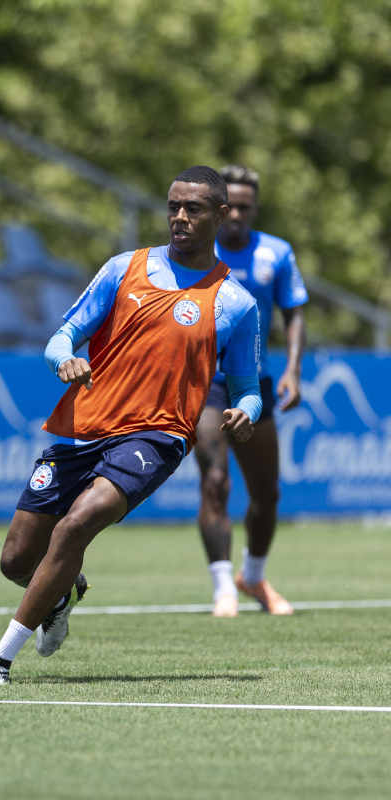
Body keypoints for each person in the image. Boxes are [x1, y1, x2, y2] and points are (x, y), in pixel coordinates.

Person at [0, 166, 262, 686]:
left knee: (78, 523)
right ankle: (62, 594)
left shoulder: (236, 302)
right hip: (85, 427)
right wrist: (64, 361)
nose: (180, 218)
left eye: (193, 209)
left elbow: (247, 388)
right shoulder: (124, 268)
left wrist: (247, 412)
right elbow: (64, 336)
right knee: (15, 561)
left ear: (219, 214)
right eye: (173, 206)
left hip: (159, 434)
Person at [194, 165, 308, 618]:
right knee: (215, 480)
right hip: (204, 384)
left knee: (267, 492)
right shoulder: (195, 253)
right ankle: (223, 585)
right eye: (230, 206)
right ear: (219, 209)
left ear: (253, 208)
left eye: (245, 206)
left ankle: (254, 577)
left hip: (254, 384)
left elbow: (293, 312)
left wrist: (294, 372)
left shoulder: (276, 254)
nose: (237, 213)